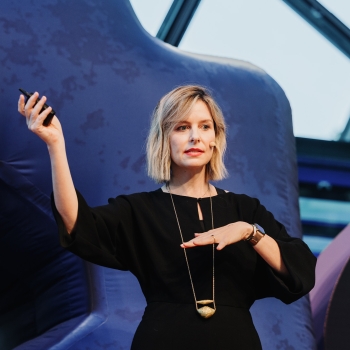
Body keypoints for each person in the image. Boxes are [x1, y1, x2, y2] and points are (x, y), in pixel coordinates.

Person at [18, 85, 316, 349]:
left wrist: (249, 232)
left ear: (216, 139)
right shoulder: (139, 209)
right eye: (182, 127)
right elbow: (77, 225)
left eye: (205, 127)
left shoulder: (245, 209)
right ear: (164, 138)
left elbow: (299, 270)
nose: (195, 137)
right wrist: (56, 145)